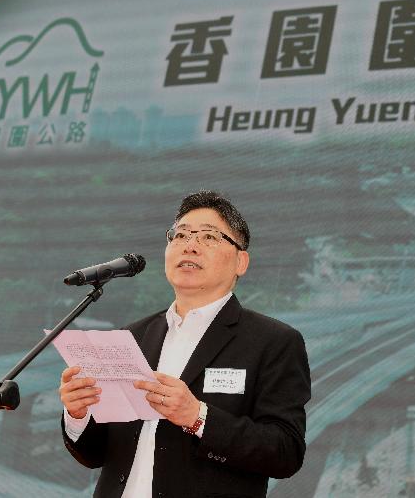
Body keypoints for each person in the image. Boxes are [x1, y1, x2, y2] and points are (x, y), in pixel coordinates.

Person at [58, 190, 311, 498]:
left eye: (209, 237)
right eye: (180, 236)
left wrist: (198, 417)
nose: (190, 245)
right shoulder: (131, 337)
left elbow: (285, 452)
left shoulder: (273, 342)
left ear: (240, 261)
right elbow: (96, 454)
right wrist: (78, 414)